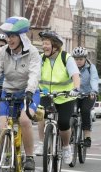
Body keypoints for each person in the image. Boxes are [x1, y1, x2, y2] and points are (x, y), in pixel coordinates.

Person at [0, 16, 41, 171]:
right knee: (3, 125)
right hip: (8, 91)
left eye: (13, 36)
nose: (9, 39)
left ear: (22, 36)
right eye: (8, 36)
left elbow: (35, 74)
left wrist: (29, 91)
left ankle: (29, 157)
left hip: (28, 92)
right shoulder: (2, 52)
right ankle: (8, 154)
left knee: (24, 120)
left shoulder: (33, 52)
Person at [35, 30, 81, 161]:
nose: (44, 46)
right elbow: (34, 74)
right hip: (46, 94)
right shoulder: (41, 58)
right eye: (43, 43)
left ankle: (66, 147)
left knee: (63, 122)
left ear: (55, 46)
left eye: (47, 43)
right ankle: (41, 142)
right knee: (40, 114)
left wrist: (76, 88)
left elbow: (75, 76)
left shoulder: (66, 58)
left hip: (65, 95)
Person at [72, 47, 99, 148]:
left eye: (80, 59)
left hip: (88, 94)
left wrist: (93, 91)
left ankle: (87, 137)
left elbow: (94, 79)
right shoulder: (70, 67)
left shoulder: (91, 67)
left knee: (85, 111)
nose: (78, 61)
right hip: (74, 94)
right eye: (76, 59)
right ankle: (71, 131)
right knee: (71, 112)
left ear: (85, 59)